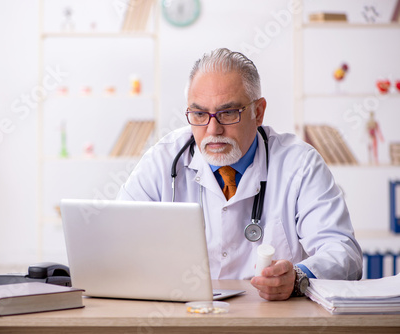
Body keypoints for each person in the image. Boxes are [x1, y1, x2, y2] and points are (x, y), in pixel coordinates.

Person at [117, 48, 363, 301]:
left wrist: (298, 277)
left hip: (274, 320)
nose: (213, 129)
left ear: (258, 112)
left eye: (228, 113)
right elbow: (116, 238)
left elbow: (344, 253)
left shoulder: (299, 163)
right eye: (200, 114)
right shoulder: (162, 160)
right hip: (184, 315)